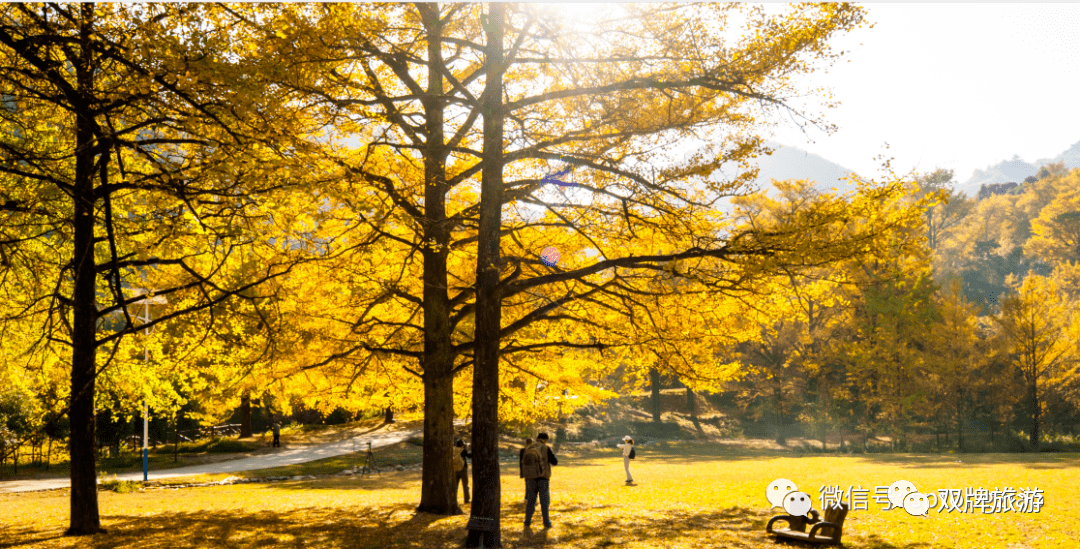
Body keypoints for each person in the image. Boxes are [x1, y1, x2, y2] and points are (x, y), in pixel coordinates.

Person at [521, 432, 558, 529]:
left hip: (530, 478)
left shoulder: (528, 448)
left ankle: (527, 521)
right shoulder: (545, 448)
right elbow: (555, 462)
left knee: (531, 501)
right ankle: (546, 522)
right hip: (543, 478)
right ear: (545, 439)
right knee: (544, 501)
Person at [454, 438, 472, 504]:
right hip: (463, 469)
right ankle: (467, 500)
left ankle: (454, 499)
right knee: (465, 485)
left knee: (455, 486)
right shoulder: (463, 450)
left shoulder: (454, 450)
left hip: (455, 469)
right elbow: (469, 456)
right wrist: (467, 449)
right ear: (462, 445)